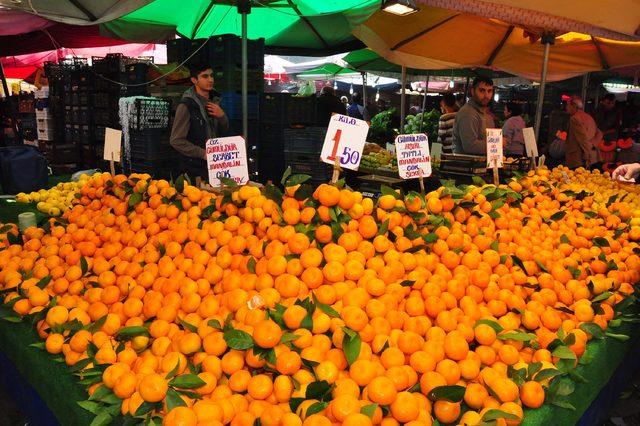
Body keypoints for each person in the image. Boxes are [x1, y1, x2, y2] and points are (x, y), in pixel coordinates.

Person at [170, 63, 229, 178]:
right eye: (205, 76)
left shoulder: (215, 101)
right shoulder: (186, 105)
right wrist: (203, 154)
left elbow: (224, 131)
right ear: (194, 80)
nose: (210, 79)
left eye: (211, 76)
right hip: (193, 169)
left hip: (216, 166)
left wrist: (222, 116)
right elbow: (176, 141)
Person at [452, 76, 495, 155]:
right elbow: (470, 146)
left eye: (489, 91)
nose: (486, 95)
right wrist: (496, 143)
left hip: (482, 166)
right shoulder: (468, 113)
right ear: (472, 91)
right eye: (482, 90)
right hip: (465, 166)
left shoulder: (487, 116)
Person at [565, 95, 602, 169]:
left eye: (567, 105)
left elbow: (582, 138)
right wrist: (593, 145)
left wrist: (587, 154)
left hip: (579, 157)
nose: (566, 107)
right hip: (593, 155)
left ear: (574, 106)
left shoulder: (574, 118)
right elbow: (599, 133)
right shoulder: (588, 117)